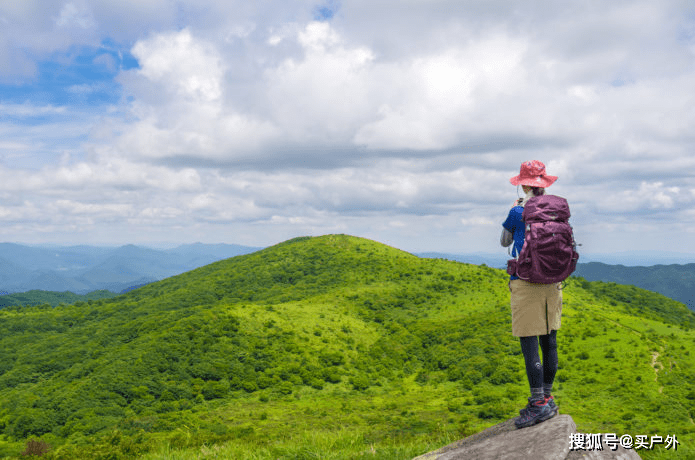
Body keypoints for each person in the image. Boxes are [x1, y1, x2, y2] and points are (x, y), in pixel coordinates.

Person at [501, 160, 562, 429]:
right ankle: (547, 397)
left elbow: (504, 241)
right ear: (545, 184)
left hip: (525, 281)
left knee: (529, 342)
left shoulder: (517, 211)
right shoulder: (558, 210)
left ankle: (537, 404)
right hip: (552, 280)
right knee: (549, 340)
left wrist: (516, 214)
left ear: (524, 184)